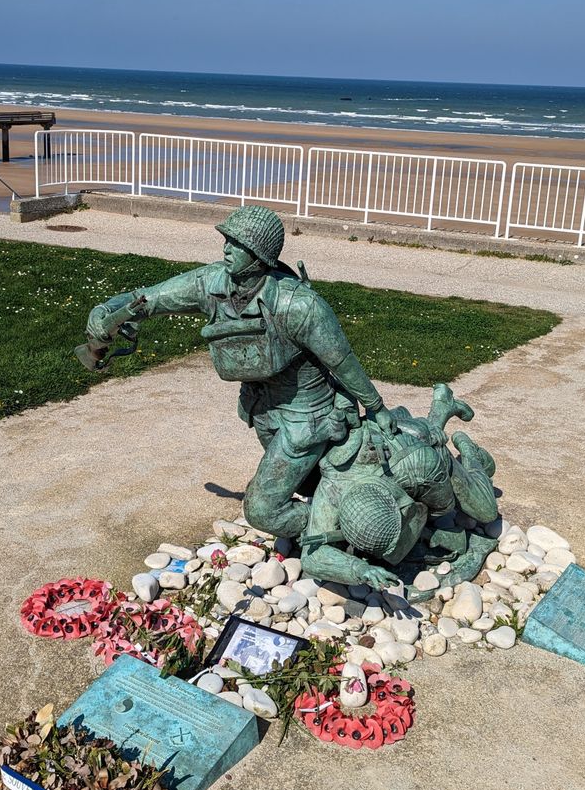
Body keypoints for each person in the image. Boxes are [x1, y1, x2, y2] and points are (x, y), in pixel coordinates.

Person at [85, 205, 441, 539]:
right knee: (307, 484)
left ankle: (343, 531)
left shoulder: (298, 305)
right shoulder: (211, 283)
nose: (226, 248)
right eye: (226, 240)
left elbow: (342, 361)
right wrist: (108, 310)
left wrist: (376, 408)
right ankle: (344, 519)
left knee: (263, 510)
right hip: (261, 410)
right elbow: (149, 298)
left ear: (259, 255)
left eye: (236, 244)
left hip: (306, 417)